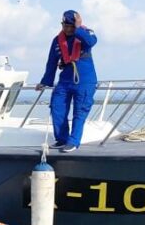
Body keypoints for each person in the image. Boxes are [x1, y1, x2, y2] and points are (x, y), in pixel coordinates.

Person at [35, 10, 98, 152]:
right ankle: (62, 139)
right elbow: (52, 62)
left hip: (85, 81)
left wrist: (79, 27)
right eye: (65, 26)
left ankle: (73, 141)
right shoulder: (57, 40)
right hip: (65, 81)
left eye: (71, 26)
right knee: (57, 107)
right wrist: (45, 81)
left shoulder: (86, 33)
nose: (68, 29)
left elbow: (91, 42)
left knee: (80, 112)